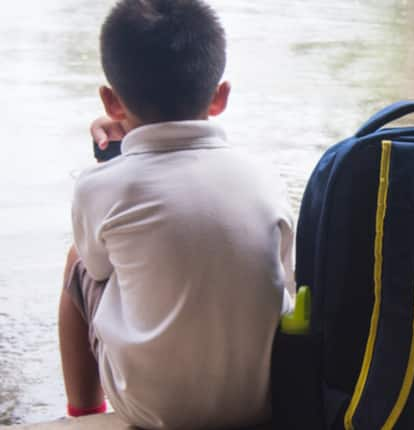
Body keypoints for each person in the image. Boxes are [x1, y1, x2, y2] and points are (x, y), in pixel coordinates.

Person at [58, 1, 295, 428]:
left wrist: (111, 163)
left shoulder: (100, 186)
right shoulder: (264, 176)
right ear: (220, 97)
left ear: (111, 101)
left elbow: (97, 267)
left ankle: (85, 414)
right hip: (263, 401)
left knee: (77, 259)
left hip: (153, 411)